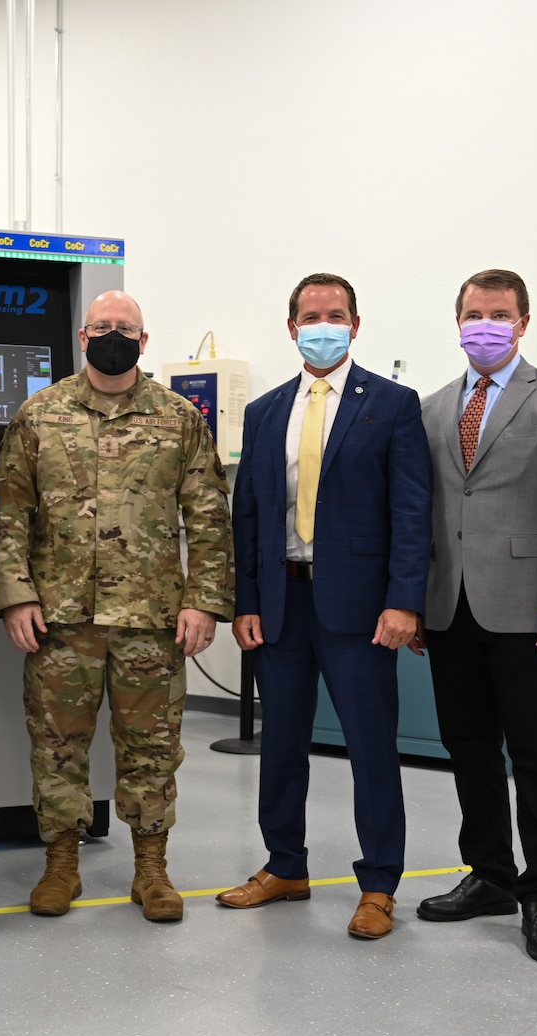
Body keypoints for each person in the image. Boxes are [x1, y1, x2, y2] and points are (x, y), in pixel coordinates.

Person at [0, 290, 233, 922]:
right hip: (60, 618)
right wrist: (15, 594)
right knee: (57, 746)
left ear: (144, 341)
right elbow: (10, 513)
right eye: (103, 326)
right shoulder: (39, 415)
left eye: (126, 328)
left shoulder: (179, 418)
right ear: (83, 335)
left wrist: (204, 602)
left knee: (152, 747)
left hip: (150, 618)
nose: (114, 335)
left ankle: (150, 868)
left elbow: (208, 517)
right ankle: (61, 865)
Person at [216, 273, 432, 941]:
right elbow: (247, 514)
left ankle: (376, 885)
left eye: (334, 314)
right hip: (281, 603)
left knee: (371, 749)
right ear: (290, 327)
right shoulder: (265, 410)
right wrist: (244, 602)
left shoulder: (392, 404)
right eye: (310, 315)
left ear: (355, 325)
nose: (322, 324)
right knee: (280, 745)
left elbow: (410, 510)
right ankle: (284, 866)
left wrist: (403, 603)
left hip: (361, 610)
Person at [411, 268, 537, 964]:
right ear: (456, 321)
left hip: (530, 613)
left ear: (523, 323)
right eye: (472, 313)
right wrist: (414, 603)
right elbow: (424, 513)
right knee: (467, 751)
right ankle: (490, 875)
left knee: (536, 757)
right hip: (450, 609)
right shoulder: (432, 408)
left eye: (498, 314)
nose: (484, 324)